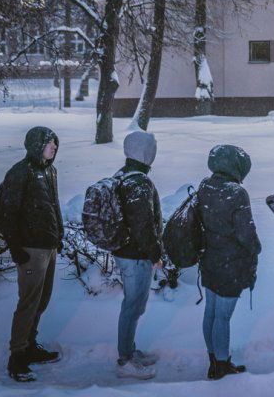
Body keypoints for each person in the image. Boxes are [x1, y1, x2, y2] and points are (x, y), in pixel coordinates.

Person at [0, 127, 64, 382]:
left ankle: (30, 346)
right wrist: (16, 247)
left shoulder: (49, 171)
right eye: (49, 143)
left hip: (48, 246)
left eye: (55, 143)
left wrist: (59, 236)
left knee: (42, 301)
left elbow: (53, 206)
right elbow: (6, 213)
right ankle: (17, 357)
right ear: (36, 145)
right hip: (30, 249)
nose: (54, 147)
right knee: (28, 302)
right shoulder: (20, 172)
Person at [198, 144, 260, 380]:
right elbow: (246, 233)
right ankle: (221, 365)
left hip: (210, 259)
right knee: (222, 316)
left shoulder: (206, 185)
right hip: (230, 263)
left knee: (211, 312)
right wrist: (256, 248)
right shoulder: (236, 193)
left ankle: (213, 359)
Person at [113, 132, 164, 380]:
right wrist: (155, 253)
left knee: (133, 305)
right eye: (152, 148)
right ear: (143, 152)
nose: (154, 152)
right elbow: (143, 225)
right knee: (132, 306)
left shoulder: (123, 175)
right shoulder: (138, 182)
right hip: (134, 255)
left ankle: (129, 352)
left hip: (127, 252)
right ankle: (125, 361)